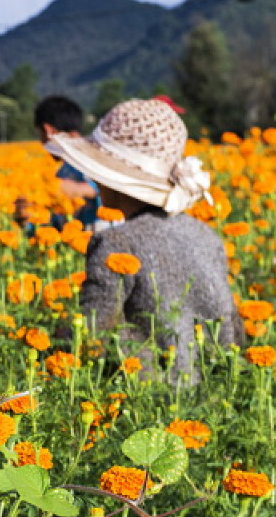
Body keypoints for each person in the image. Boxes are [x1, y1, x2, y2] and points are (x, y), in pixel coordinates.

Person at [46, 98, 242, 383]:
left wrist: (51, 346)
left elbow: (92, 333)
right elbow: (232, 329)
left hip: (143, 400)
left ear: (112, 180)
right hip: (208, 393)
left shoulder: (116, 243)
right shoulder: (206, 235)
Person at [14, 96, 102, 233]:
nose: (42, 143)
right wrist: (26, 222)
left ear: (48, 130)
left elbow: (114, 189)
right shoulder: (63, 171)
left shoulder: (97, 159)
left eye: (40, 135)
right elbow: (57, 224)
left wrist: (80, 189)